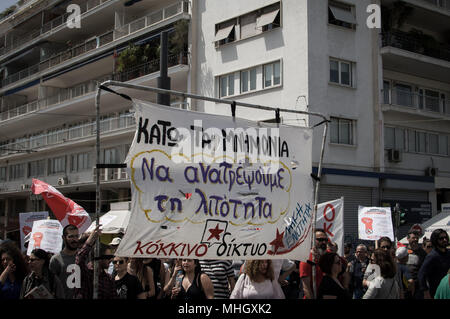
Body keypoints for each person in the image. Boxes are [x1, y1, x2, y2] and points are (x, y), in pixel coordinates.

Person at [73, 225, 117, 299]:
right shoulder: (85, 273)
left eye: (112, 257)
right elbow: (79, 259)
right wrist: (89, 241)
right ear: (98, 258)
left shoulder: (108, 279)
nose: (111, 260)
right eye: (108, 257)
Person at [49, 224, 79, 299]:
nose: (74, 240)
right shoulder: (56, 259)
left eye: (76, 236)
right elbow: (51, 285)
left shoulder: (84, 256)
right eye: (71, 236)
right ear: (63, 238)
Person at [418, 229, 450, 299]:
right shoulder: (432, 256)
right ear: (435, 240)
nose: (444, 240)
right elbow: (421, 274)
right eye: (441, 238)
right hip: (437, 293)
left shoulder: (449, 253)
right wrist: (425, 292)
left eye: (445, 237)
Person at [299, 228, 328, 299]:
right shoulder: (307, 260)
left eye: (326, 240)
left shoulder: (330, 257)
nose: (324, 242)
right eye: (320, 240)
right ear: (312, 240)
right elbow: (306, 288)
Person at [405, 230, 426, 299]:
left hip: (418, 285)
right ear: (408, 239)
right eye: (413, 238)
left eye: (417, 238)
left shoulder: (422, 253)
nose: (415, 239)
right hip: (406, 284)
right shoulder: (403, 251)